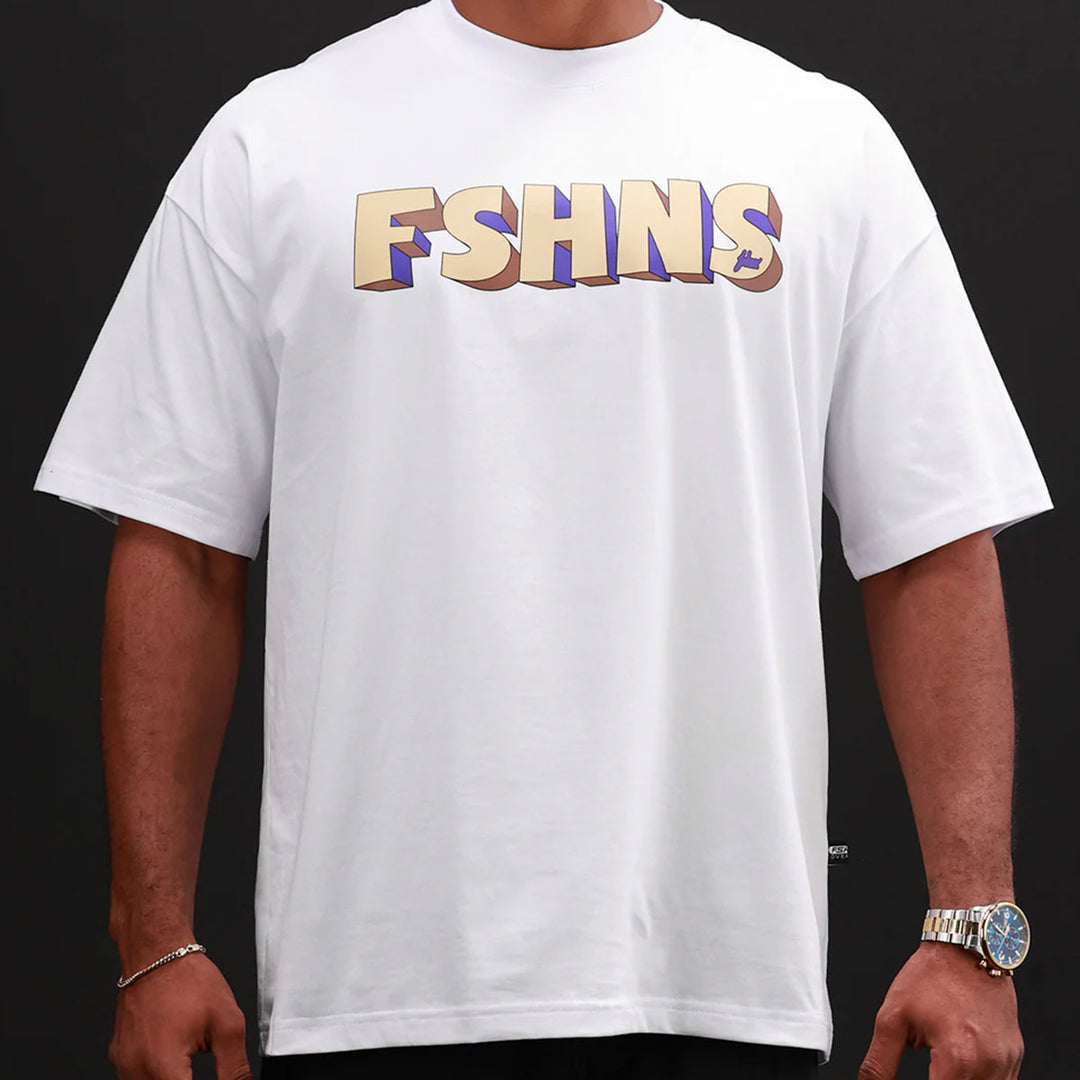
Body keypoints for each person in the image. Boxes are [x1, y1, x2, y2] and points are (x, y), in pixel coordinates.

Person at [32, 0, 1052, 1077]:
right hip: (374, 989)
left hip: (719, 980)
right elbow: (181, 544)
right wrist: (152, 941)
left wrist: (973, 927)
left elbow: (930, 543)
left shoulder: (823, 144)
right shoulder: (277, 141)